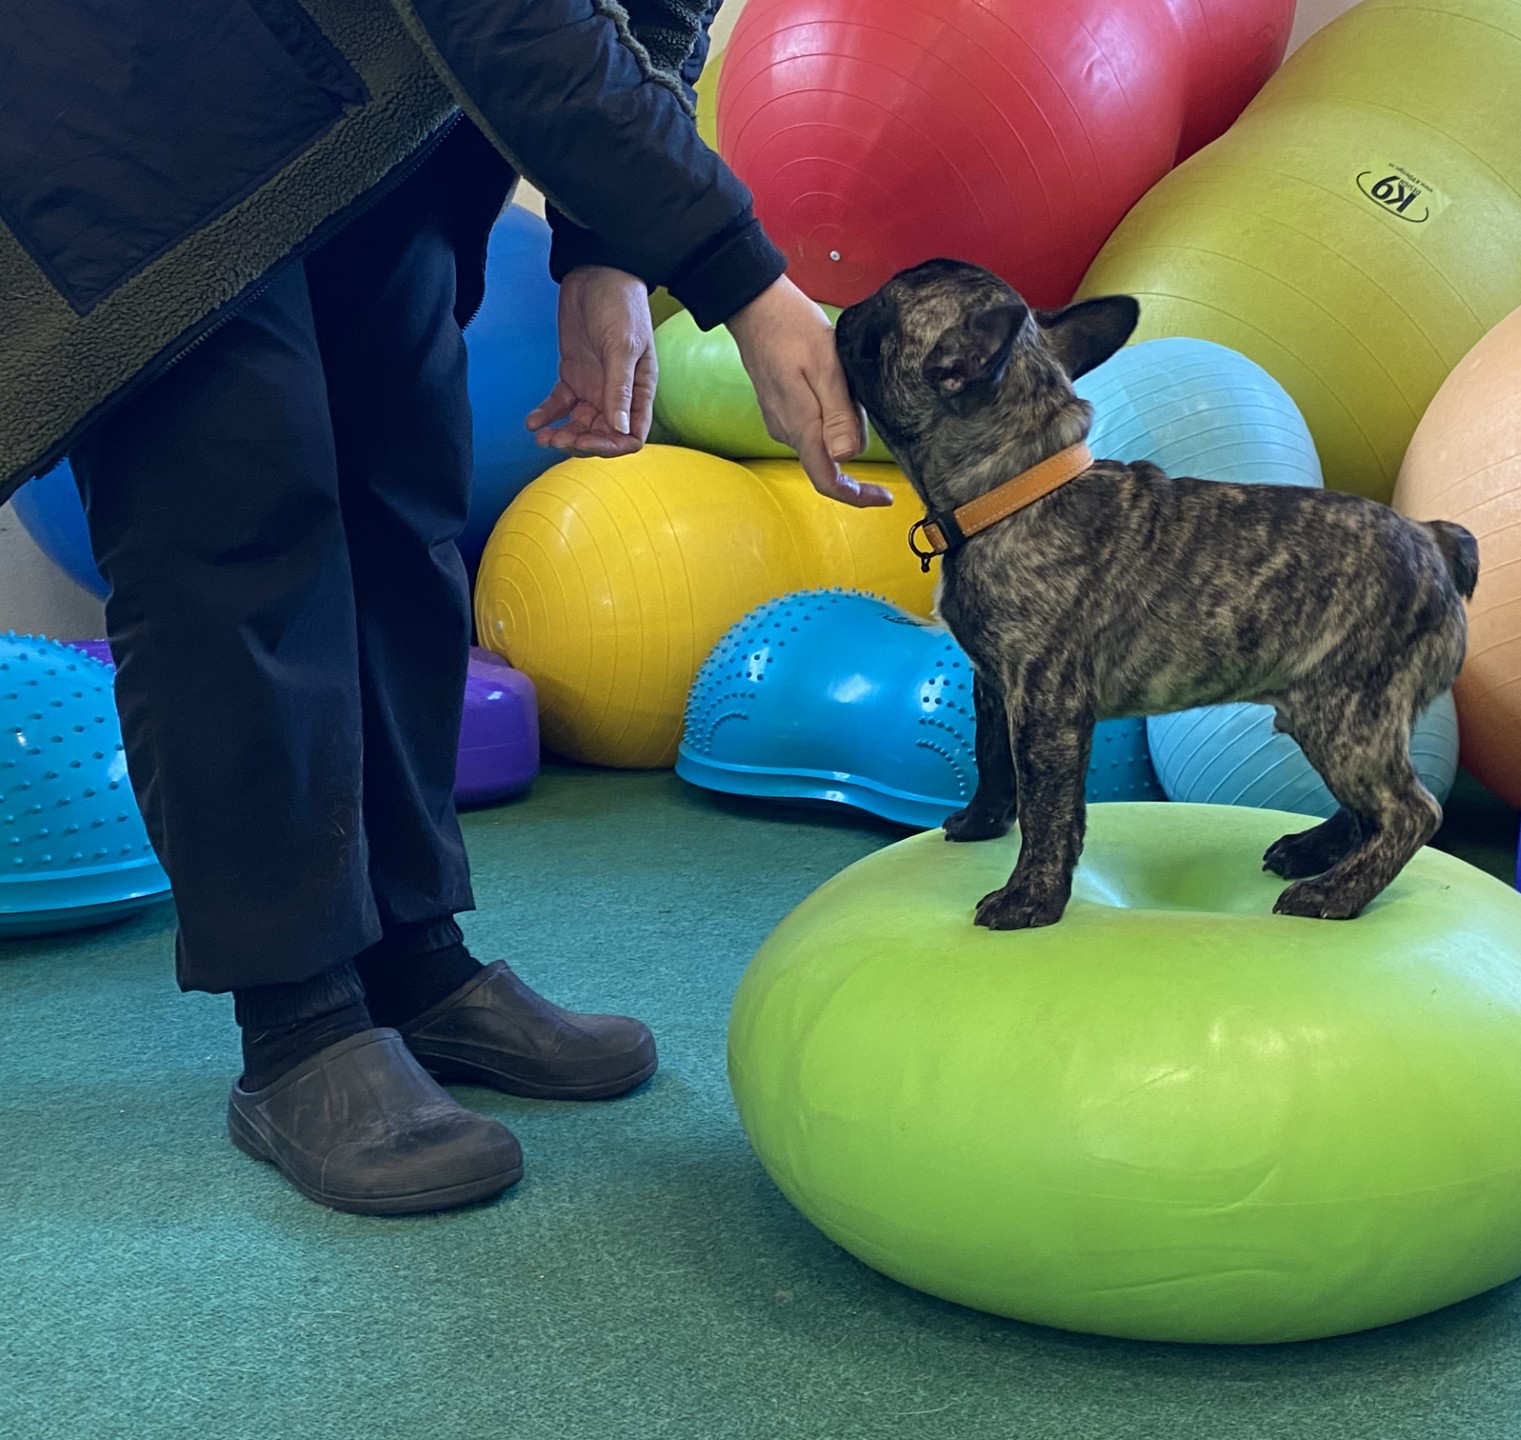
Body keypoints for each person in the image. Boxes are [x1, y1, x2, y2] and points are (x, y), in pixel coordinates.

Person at [0, 0, 887, 1217]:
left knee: (398, 495)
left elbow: (655, 10)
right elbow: (510, 11)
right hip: (139, 90)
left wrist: (605, 249)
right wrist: (744, 278)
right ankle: (299, 1025)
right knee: (236, 521)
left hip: (373, 104)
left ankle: (413, 959)